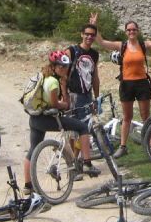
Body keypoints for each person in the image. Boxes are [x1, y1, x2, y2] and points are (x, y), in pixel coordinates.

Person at [91, 12, 151, 159]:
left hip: (142, 83)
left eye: (134, 30)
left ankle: (150, 145)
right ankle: (123, 146)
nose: (131, 32)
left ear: (137, 32)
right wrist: (94, 26)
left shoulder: (144, 45)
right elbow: (102, 42)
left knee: (146, 117)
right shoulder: (122, 45)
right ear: (126, 32)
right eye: (129, 30)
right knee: (127, 117)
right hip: (126, 84)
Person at [23, 50, 101, 194]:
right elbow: (55, 104)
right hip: (47, 119)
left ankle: (28, 185)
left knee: (33, 150)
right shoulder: (53, 82)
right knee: (83, 127)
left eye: (66, 66)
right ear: (53, 66)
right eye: (61, 66)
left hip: (34, 118)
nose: (64, 69)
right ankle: (87, 163)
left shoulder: (45, 77)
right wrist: (65, 103)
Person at [64, 23, 100, 121]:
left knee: (85, 128)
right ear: (82, 34)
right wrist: (64, 96)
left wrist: (96, 98)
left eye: (92, 35)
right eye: (87, 34)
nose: (89, 37)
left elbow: (95, 77)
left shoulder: (95, 54)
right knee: (72, 130)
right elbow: (62, 76)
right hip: (72, 95)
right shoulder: (71, 51)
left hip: (87, 96)